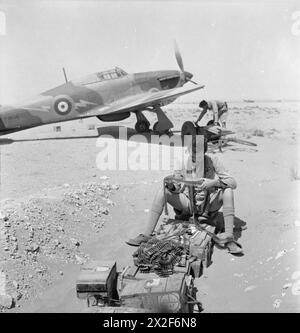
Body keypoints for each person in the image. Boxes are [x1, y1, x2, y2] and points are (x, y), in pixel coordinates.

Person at [126, 135, 241, 253]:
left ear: (205, 152)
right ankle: (146, 234)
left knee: (228, 191)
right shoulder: (182, 162)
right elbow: (176, 187)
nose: (196, 157)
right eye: (193, 154)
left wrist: (213, 183)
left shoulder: (213, 161)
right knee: (162, 192)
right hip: (188, 203)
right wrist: (171, 186)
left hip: (208, 205)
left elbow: (233, 183)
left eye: (199, 154)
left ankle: (229, 238)